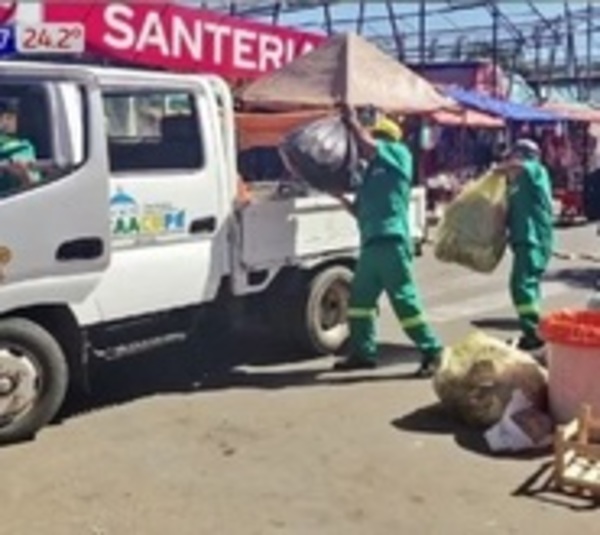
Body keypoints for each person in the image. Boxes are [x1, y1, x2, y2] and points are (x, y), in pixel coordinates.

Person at [331, 104, 444, 377]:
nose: (370, 146)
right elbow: (359, 210)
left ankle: (433, 350)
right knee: (359, 303)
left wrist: (352, 121)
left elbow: (368, 145)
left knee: (404, 301)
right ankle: (363, 353)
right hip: (371, 243)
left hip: (392, 241)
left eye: (377, 138)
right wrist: (338, 196)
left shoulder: (398, 154)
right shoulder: (371, 175)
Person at [496, 138, 554, 352]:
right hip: (525, 239)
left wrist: (498, 170)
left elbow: (522, 166)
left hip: (534, 239)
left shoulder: (535, 172)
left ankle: (535, 332)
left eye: (514, 155)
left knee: (520, 286)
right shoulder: (519, 182)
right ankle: (534, 331)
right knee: (529, 286)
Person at [0, 99, 39, 196]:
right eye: (9, 117)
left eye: (12, 117)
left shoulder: (22, 148)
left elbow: (34, 186)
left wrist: (23, 175)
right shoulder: (23, 147)